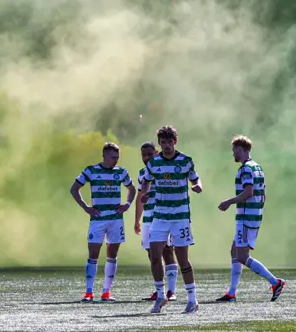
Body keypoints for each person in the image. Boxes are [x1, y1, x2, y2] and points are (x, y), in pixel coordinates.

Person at [139, 125, 202, 313]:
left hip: (180, 217)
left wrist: (197, 186)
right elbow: (146, 181)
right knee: (155, 256)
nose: (167, 145)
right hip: (159, 216)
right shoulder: (154, 163)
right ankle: (160, 297)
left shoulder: (185, 161)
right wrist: (144, 193)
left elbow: (196, 179)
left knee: (183, 260)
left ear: (175, 142)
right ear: (159, 144)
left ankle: (192, 299)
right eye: (163, 142)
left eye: (169, 142)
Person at [216, 135, 286, 302]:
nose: (233, 154)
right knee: (235, 251)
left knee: (241, 256)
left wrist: (229, 202)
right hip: (252, 215)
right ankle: (231, 293)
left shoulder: (246, 169)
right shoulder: (257, 167)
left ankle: (275, 282)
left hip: (247, 217)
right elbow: (263, 194)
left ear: (240, 149)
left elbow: (249, 192)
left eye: (234, 150)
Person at [70, 142, 136, 302]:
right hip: (97, 220)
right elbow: (74, 189)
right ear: (104, 156)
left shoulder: (121, 172)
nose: (116, 161)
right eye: (113, 157)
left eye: (117, 157)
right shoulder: (91, 170)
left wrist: (127, 204)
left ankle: (106, 292)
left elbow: (132, 189)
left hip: (115, 220)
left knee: (112, 255)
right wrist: (86, 207)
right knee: (93, 255)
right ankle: (88, 292)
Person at [134, 141, 179, 302]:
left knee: (167, 250)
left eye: (149, 154)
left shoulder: (166, 168)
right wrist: (137, 220)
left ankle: (171, 291)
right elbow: (139, 198)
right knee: (152, 253)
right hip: (148, 217)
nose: (146, 158)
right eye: (143, 155)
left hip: (164, 216)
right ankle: (159, 289)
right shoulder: (141, 173)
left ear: (157, 152)